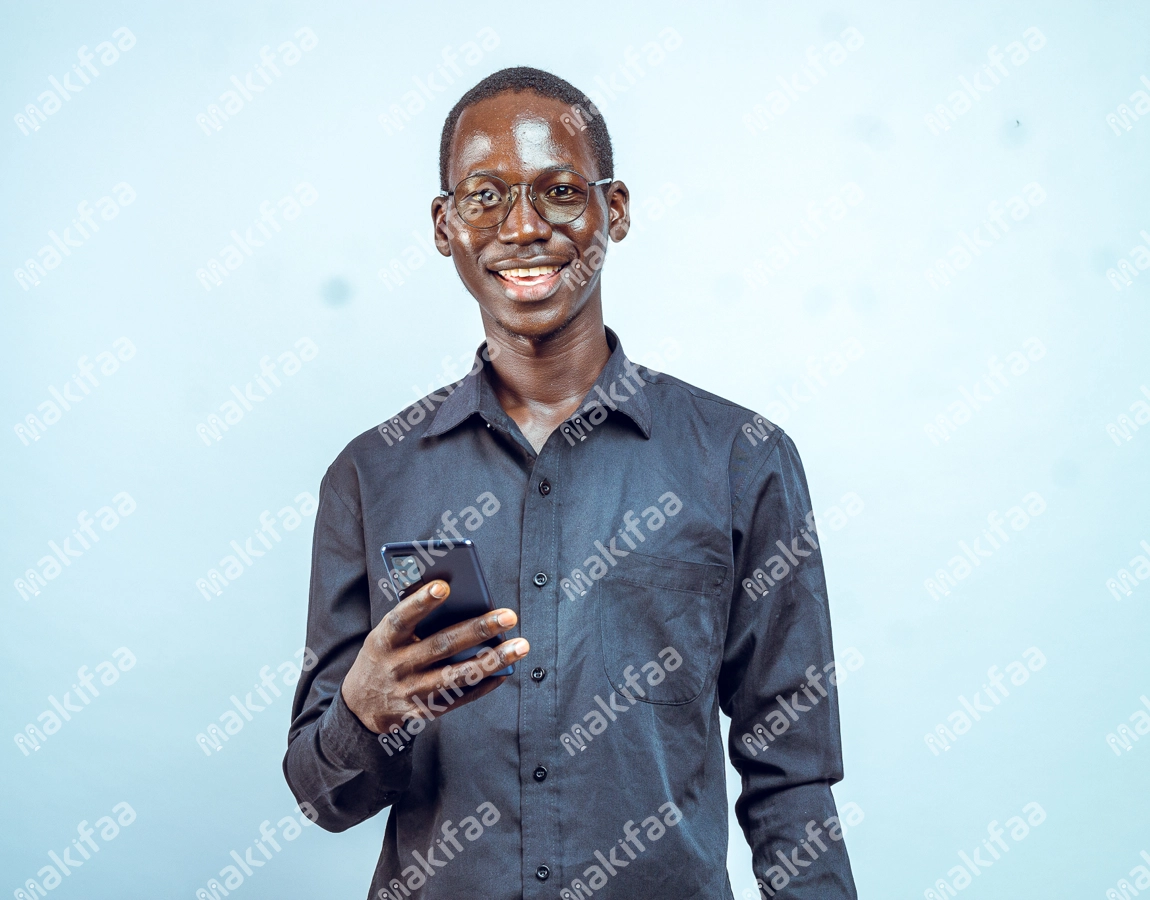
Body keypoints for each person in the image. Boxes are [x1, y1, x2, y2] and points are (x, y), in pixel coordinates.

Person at [284, 66, 857, 899]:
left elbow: (793, 776)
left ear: (612, 211)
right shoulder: (371, 475)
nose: (523, 227)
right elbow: (321, 797)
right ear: (445, 226)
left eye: (558, 190)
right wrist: (363, 714)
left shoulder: (741, 457)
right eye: (485, 196)